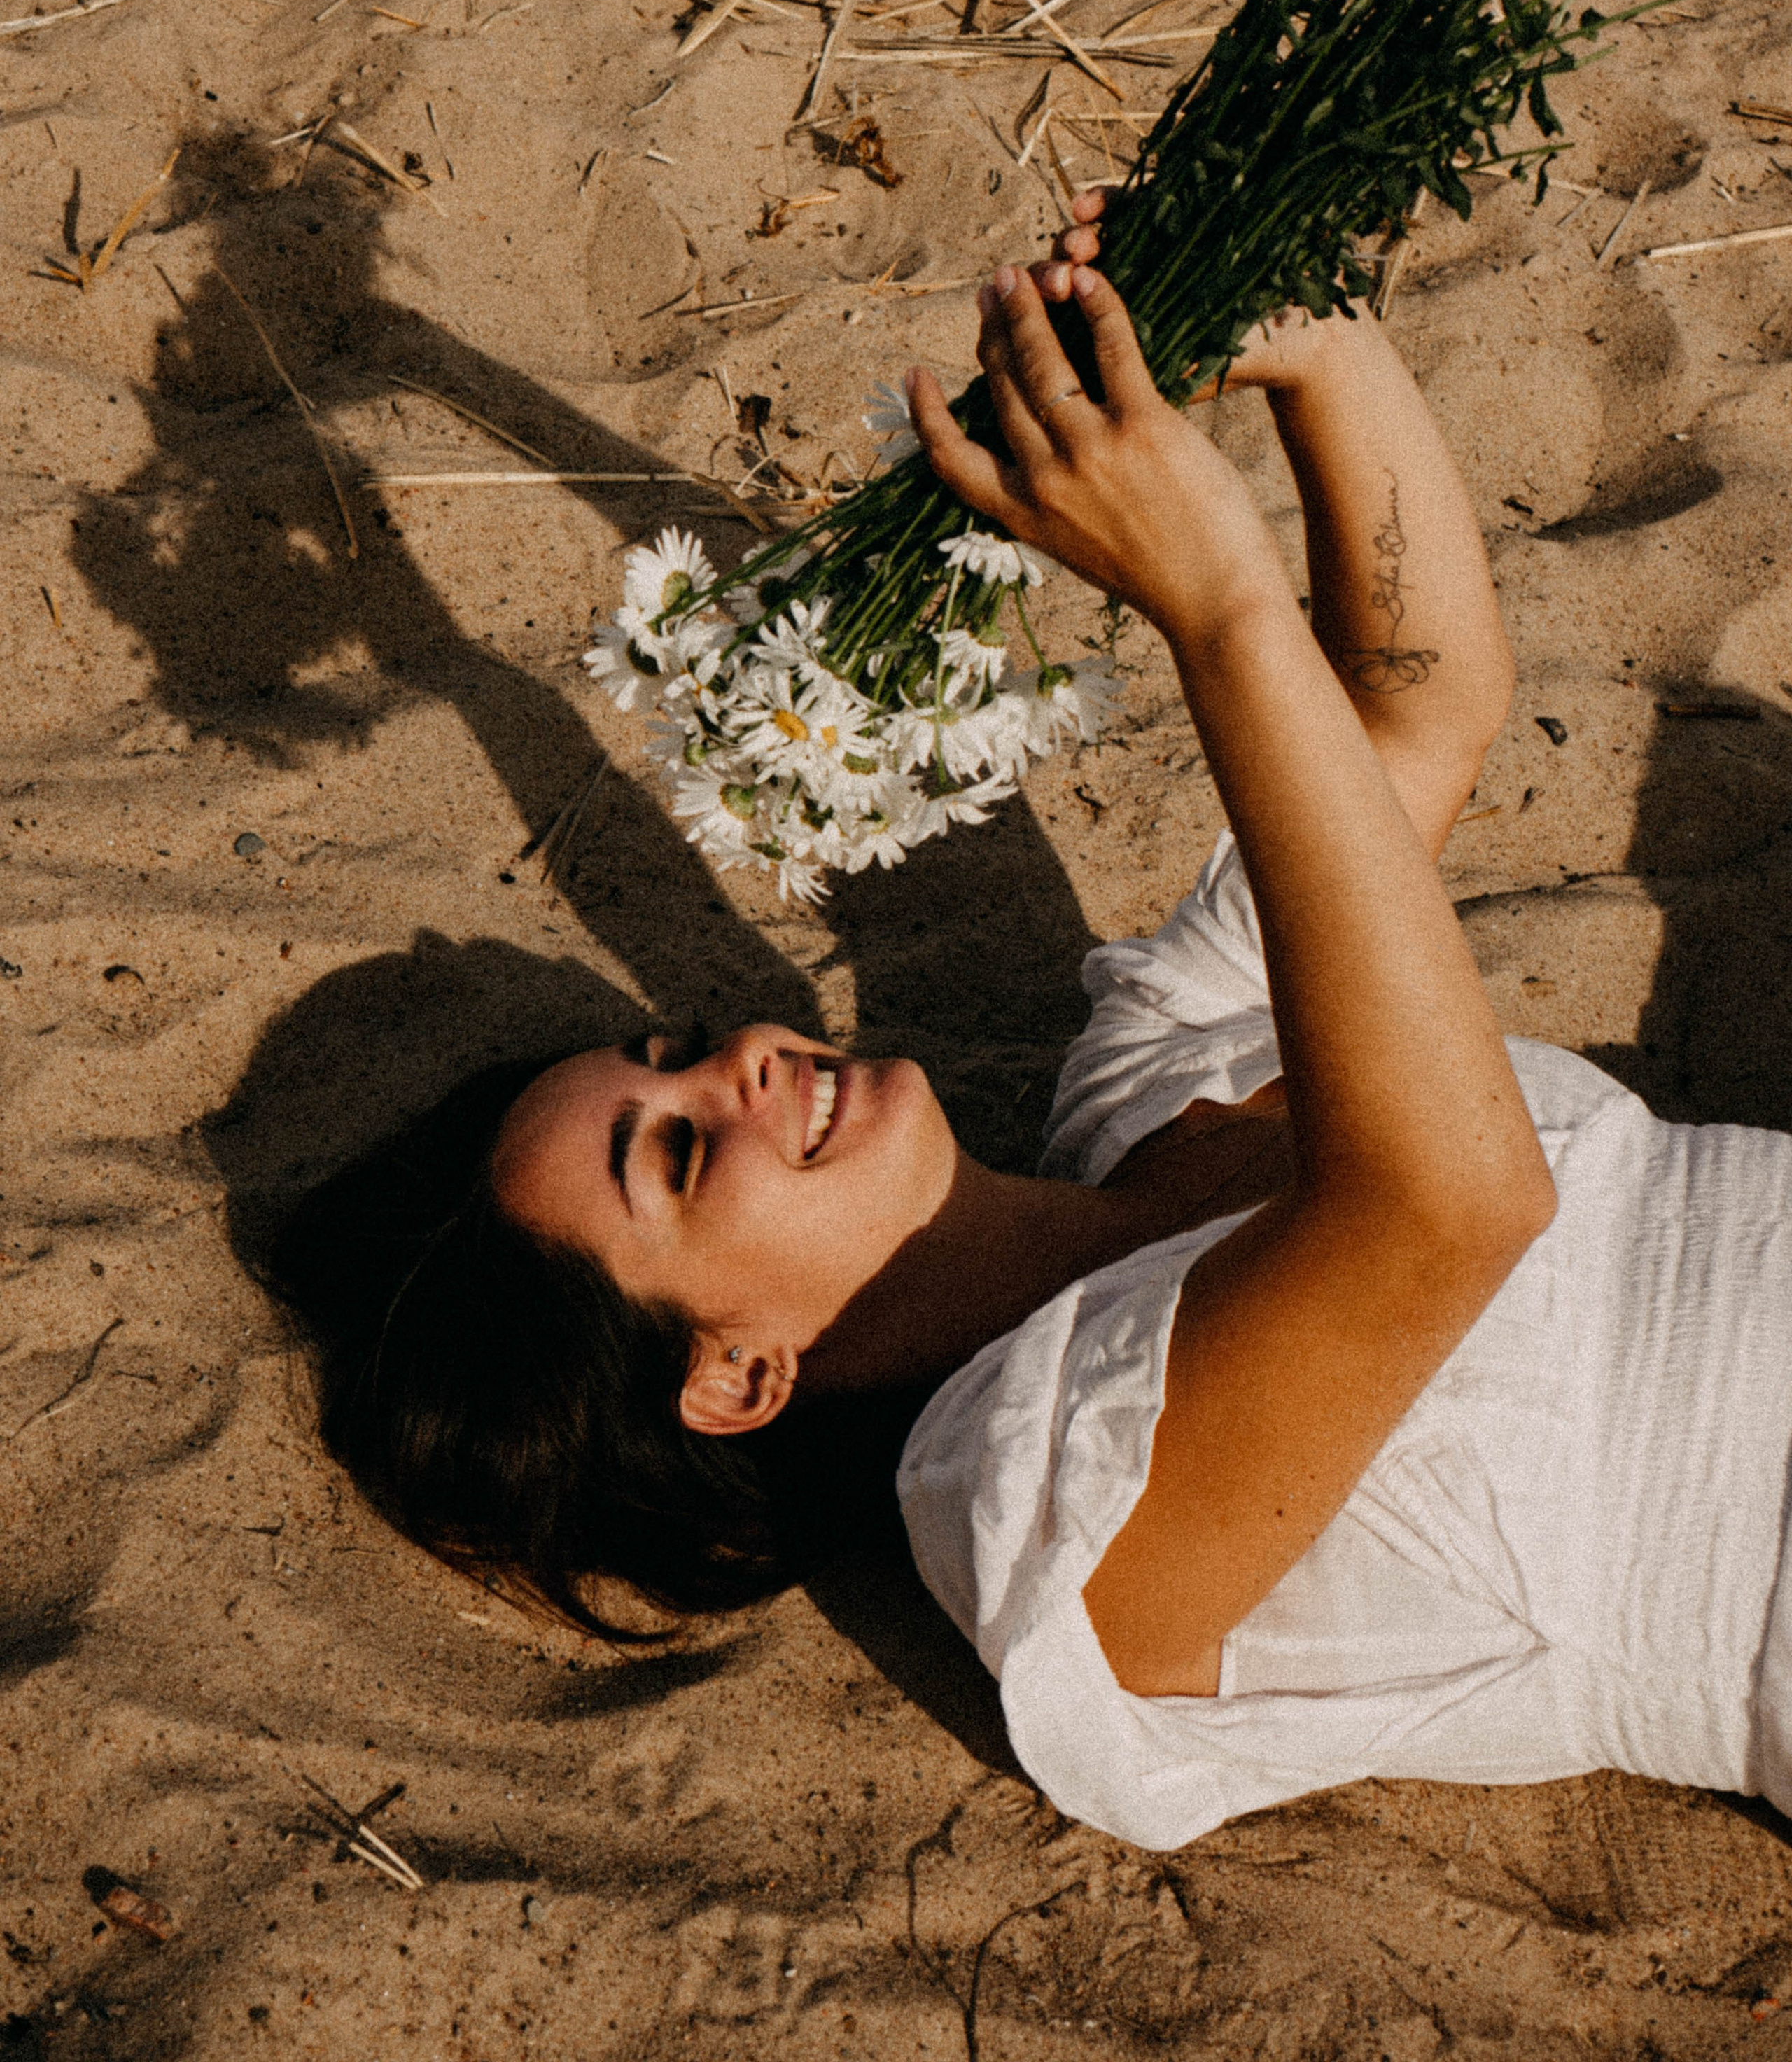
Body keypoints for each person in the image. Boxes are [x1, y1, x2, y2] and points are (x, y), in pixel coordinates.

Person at [267, 197, 1792, 1850]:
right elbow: (1447, 1205)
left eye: (672, 1051)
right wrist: (1207, 603)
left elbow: (1412, 718)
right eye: (686, 1152)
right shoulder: (1056, 1519)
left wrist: (1311, 347)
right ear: (736, 1379)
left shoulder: (1152, 1075)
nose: (744, 1060)